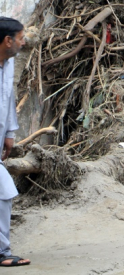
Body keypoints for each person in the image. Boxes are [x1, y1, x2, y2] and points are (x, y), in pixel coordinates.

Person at [0, 18, 30, 266]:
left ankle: (2, 252)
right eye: (21, 37)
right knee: (5, 191)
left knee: (5, 194)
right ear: (7, 41)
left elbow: (8, 99)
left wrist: (10, 133)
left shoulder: (8, 65)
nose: (24, 42)